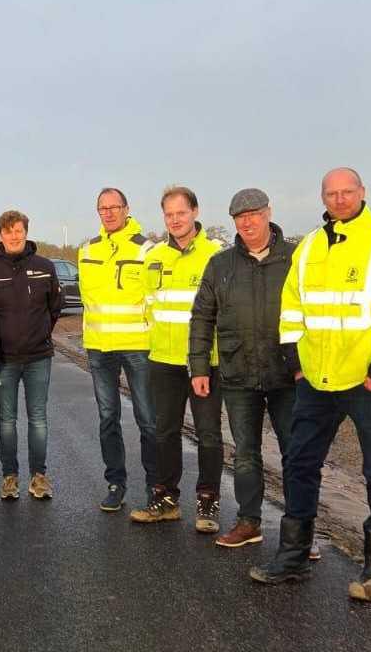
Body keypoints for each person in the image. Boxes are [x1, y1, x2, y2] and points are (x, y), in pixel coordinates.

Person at [251, 168, 371, 601]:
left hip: (368, 381)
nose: (340, 199)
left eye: (347, 191)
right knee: (299, 463)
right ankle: (293, 555)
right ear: (323, 197)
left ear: (363, 193)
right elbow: (291, 309)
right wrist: (296, 364)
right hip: (315, 380)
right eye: (332, 193)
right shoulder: (311, 245)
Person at [189, 189, 298, 548]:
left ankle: (301, 530)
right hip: (238, 374)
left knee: (296, 452)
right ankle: (249, 522)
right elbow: (202, 317)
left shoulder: (296, 259)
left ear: (269, 213)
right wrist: (200, 367)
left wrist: (306, 366)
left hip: (288, 374)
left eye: (253, 214)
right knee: (246, 452)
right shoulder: (221, 265)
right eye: (240, 216)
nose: (247, 222)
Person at [130, 186, 224, 532]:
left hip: (205, 363)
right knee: (164, 432)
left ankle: (208, 503)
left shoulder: (216, 255)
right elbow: (146, 304)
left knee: (208, 434)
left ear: (195, 212)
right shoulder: (153, 257)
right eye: (169, 215)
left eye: (181, 213)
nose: (175, 220)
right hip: (163, 360)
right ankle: (166, 500)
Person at [77, 187, 156, 512]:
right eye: (102, 208)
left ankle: (156, 486)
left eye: (114, 207)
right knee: (108, 417)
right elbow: (85, 298)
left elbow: (154, 299)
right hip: (100, 348)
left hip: (138, 346)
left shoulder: (147, 249)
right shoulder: (86, 251)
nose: (108, 213)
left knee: (147, 419)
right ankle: (116, 483)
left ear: (127, 209)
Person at [0, 209, 63, 499]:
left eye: (19, 230)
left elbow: (55, 308)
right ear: (0, 234)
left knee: (38, 418)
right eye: (8, 231)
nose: (14, 236)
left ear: (26, 232)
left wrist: (40, 332)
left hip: (39, 357)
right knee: (6, 420)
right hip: (4, 359)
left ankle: (39, 477)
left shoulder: (45, 267)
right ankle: (9, 477)